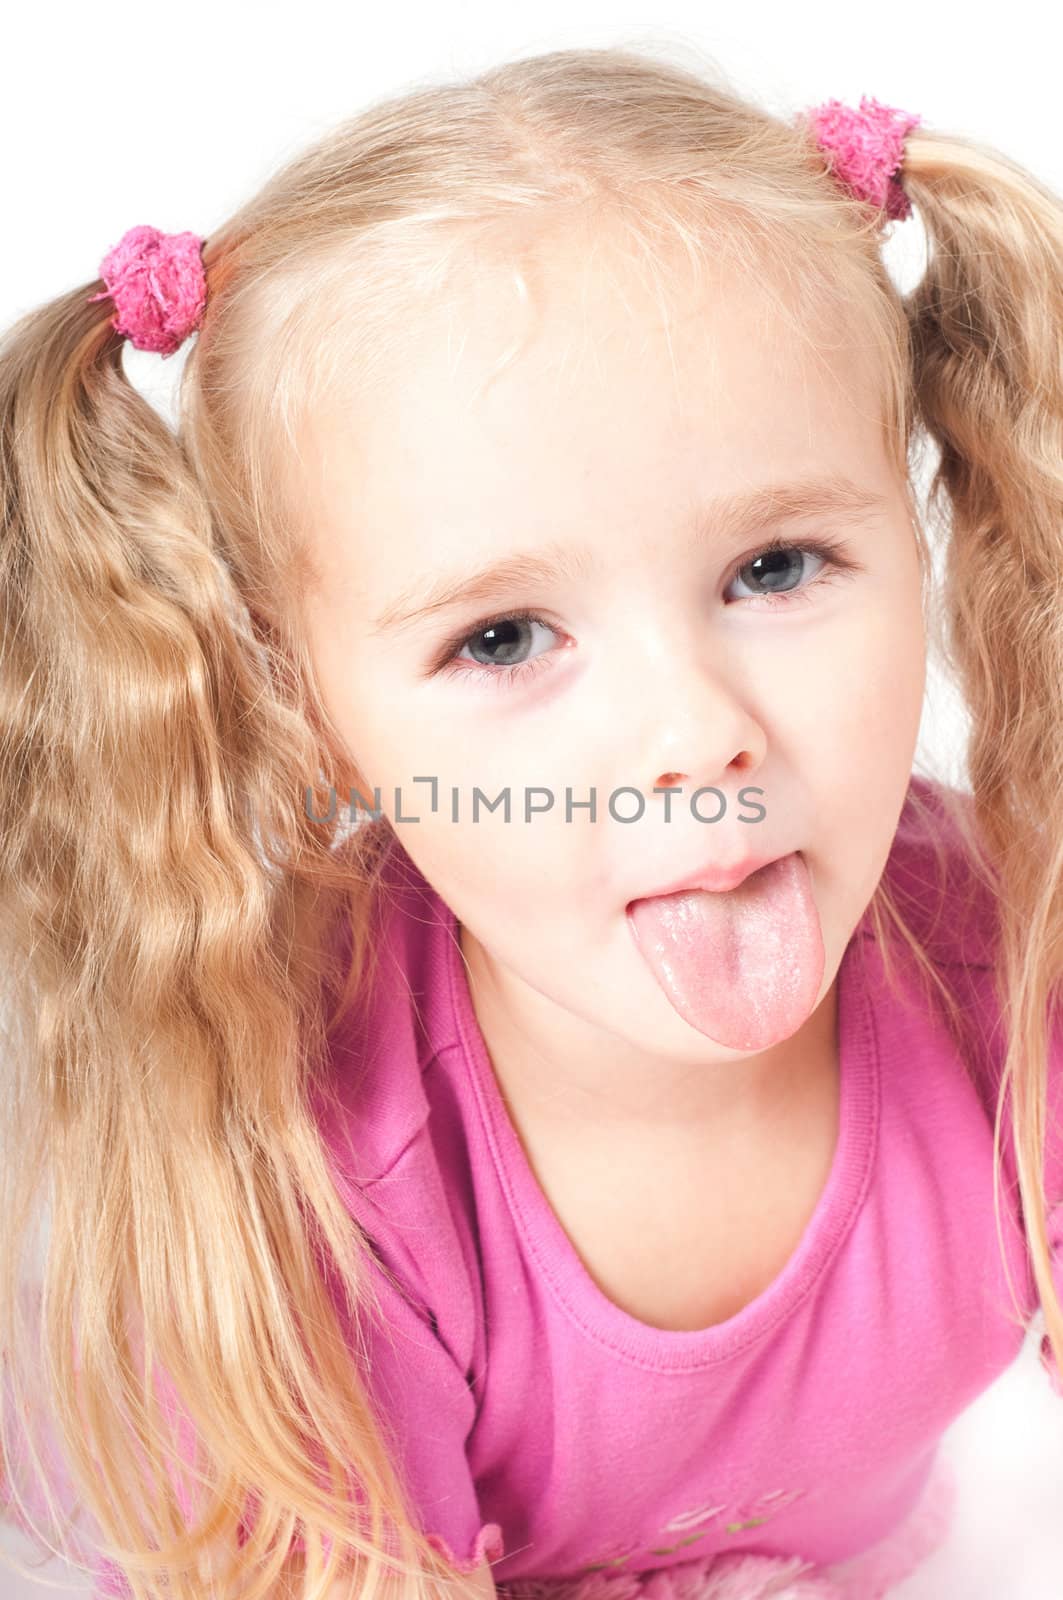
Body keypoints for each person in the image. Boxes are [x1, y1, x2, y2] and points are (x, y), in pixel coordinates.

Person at [1, 41, 1060, 1600]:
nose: (698, 734)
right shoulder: (312, 1171)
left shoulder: (1010, 959)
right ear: (305, 708)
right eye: (501, 640)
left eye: (774, 567)